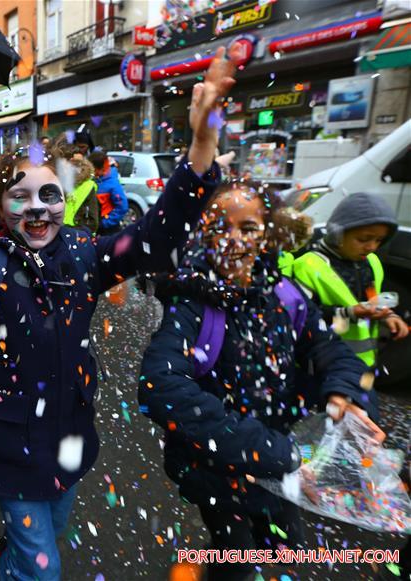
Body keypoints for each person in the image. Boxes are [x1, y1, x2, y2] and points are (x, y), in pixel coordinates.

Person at [0, 45, 238, 580]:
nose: (36, 208)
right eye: (19, 196)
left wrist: (202, 144)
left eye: (48, 193)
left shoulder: (82, 251)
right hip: (7, 442)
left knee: (44, 540)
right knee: (43, 566)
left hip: (68, 438)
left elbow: (155, 239)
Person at [138, 179, 383, 581]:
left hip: (283, 466)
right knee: (234, 556)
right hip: (219, 470)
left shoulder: (286, 295)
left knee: (287, 550)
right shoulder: (192, 305)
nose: (234, 240)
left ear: (269, 234)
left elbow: (332, 350)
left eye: (249, 228)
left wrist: (347, 394)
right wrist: (271, 450)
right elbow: (160, 386)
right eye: (220, 228)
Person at [290, 193, 409, 369]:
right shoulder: (308, 265)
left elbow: (373, 301)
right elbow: (302, 317)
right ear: (338, 233)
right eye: (363, 239)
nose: (371, 247)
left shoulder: (373, 262)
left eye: (379, 240)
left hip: (363, 363)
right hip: (319, 366)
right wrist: (349, 313)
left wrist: (387, 315)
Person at [88, 151, 129, 235]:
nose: (91, 172)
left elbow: (123, 207)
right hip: (96, 227)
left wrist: (105, 222)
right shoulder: (95, 180)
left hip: (108, 230)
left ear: (99, 169)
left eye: (92, 169)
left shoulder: (112, 184)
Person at [62, 153, 100, 234]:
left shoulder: (88, 186)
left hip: (78, 236)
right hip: (61, 234)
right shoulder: (60, 182)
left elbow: (92, 223)